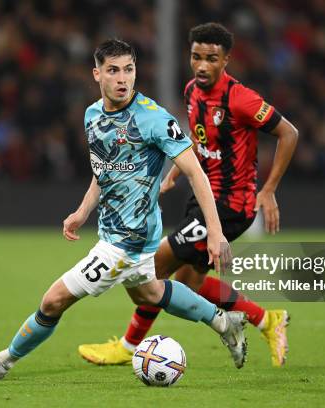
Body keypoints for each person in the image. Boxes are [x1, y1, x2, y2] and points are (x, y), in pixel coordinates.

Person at [0, 39, 248, 381]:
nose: (123, 78)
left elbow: (196, 172)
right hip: (115, 231)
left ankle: (1, 363)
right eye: (113, 70)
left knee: (53, 301)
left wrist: (215, 231)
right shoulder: (93, 115)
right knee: (151, 291)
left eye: (129, 69)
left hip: (128, 240)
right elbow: (104, 172)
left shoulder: (153, 119)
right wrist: (82, 211)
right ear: (97, 74)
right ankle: (223, 321)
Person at [79, 23, 298, 368]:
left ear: (225, 60)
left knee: (152, 268)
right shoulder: (192, 91)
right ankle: (266, 320)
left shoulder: (241, 99)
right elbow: (199, 139)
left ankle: (128, 346)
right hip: (203, 196)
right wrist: (177, 170)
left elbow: (289, 133)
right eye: (196, 56)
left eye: (211, 58)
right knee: (189, 285)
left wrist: (268, 190)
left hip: (231, 206)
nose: (202, 65)